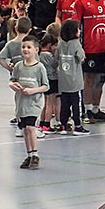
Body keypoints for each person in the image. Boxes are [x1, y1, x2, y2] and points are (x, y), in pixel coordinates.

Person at [73, 0, 105, 122]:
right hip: (88, 48)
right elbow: (76, 25)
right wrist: (77, 47)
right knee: (89, 78)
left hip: (103, 47)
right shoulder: (81, 1)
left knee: (101, 79)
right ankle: (87, 109)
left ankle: (96, 109)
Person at [10, 35, 49, 170]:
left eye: (29, 47)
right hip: (22, 103)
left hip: (34, 103)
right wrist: (13, 85)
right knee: (25, 129)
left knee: (31, 128)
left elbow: (46, 86)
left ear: (36, 50)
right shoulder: (18, 66)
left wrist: (33, 91)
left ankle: (35, 154)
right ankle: (29, 154)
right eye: (23, 47)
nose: (25, 49)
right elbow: (12, 80)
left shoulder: (40, 67)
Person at [57, 19, 89, 136]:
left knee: (64, 105)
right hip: (75, 81)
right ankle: (78, 126)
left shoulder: (60, 44)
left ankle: (63, 125)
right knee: (77, 104)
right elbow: (81, 57)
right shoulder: (76, 43)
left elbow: (56, 57)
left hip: (63, 81)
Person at [38, 34, 60, 133]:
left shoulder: (39, 54)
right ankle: (47, 124)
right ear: (50, 45)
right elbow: (55, 64)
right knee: (50, 103)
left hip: (44, 80)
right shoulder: (48, 55)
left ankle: (41, 122)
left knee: (46, 103)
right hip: (52, 79)